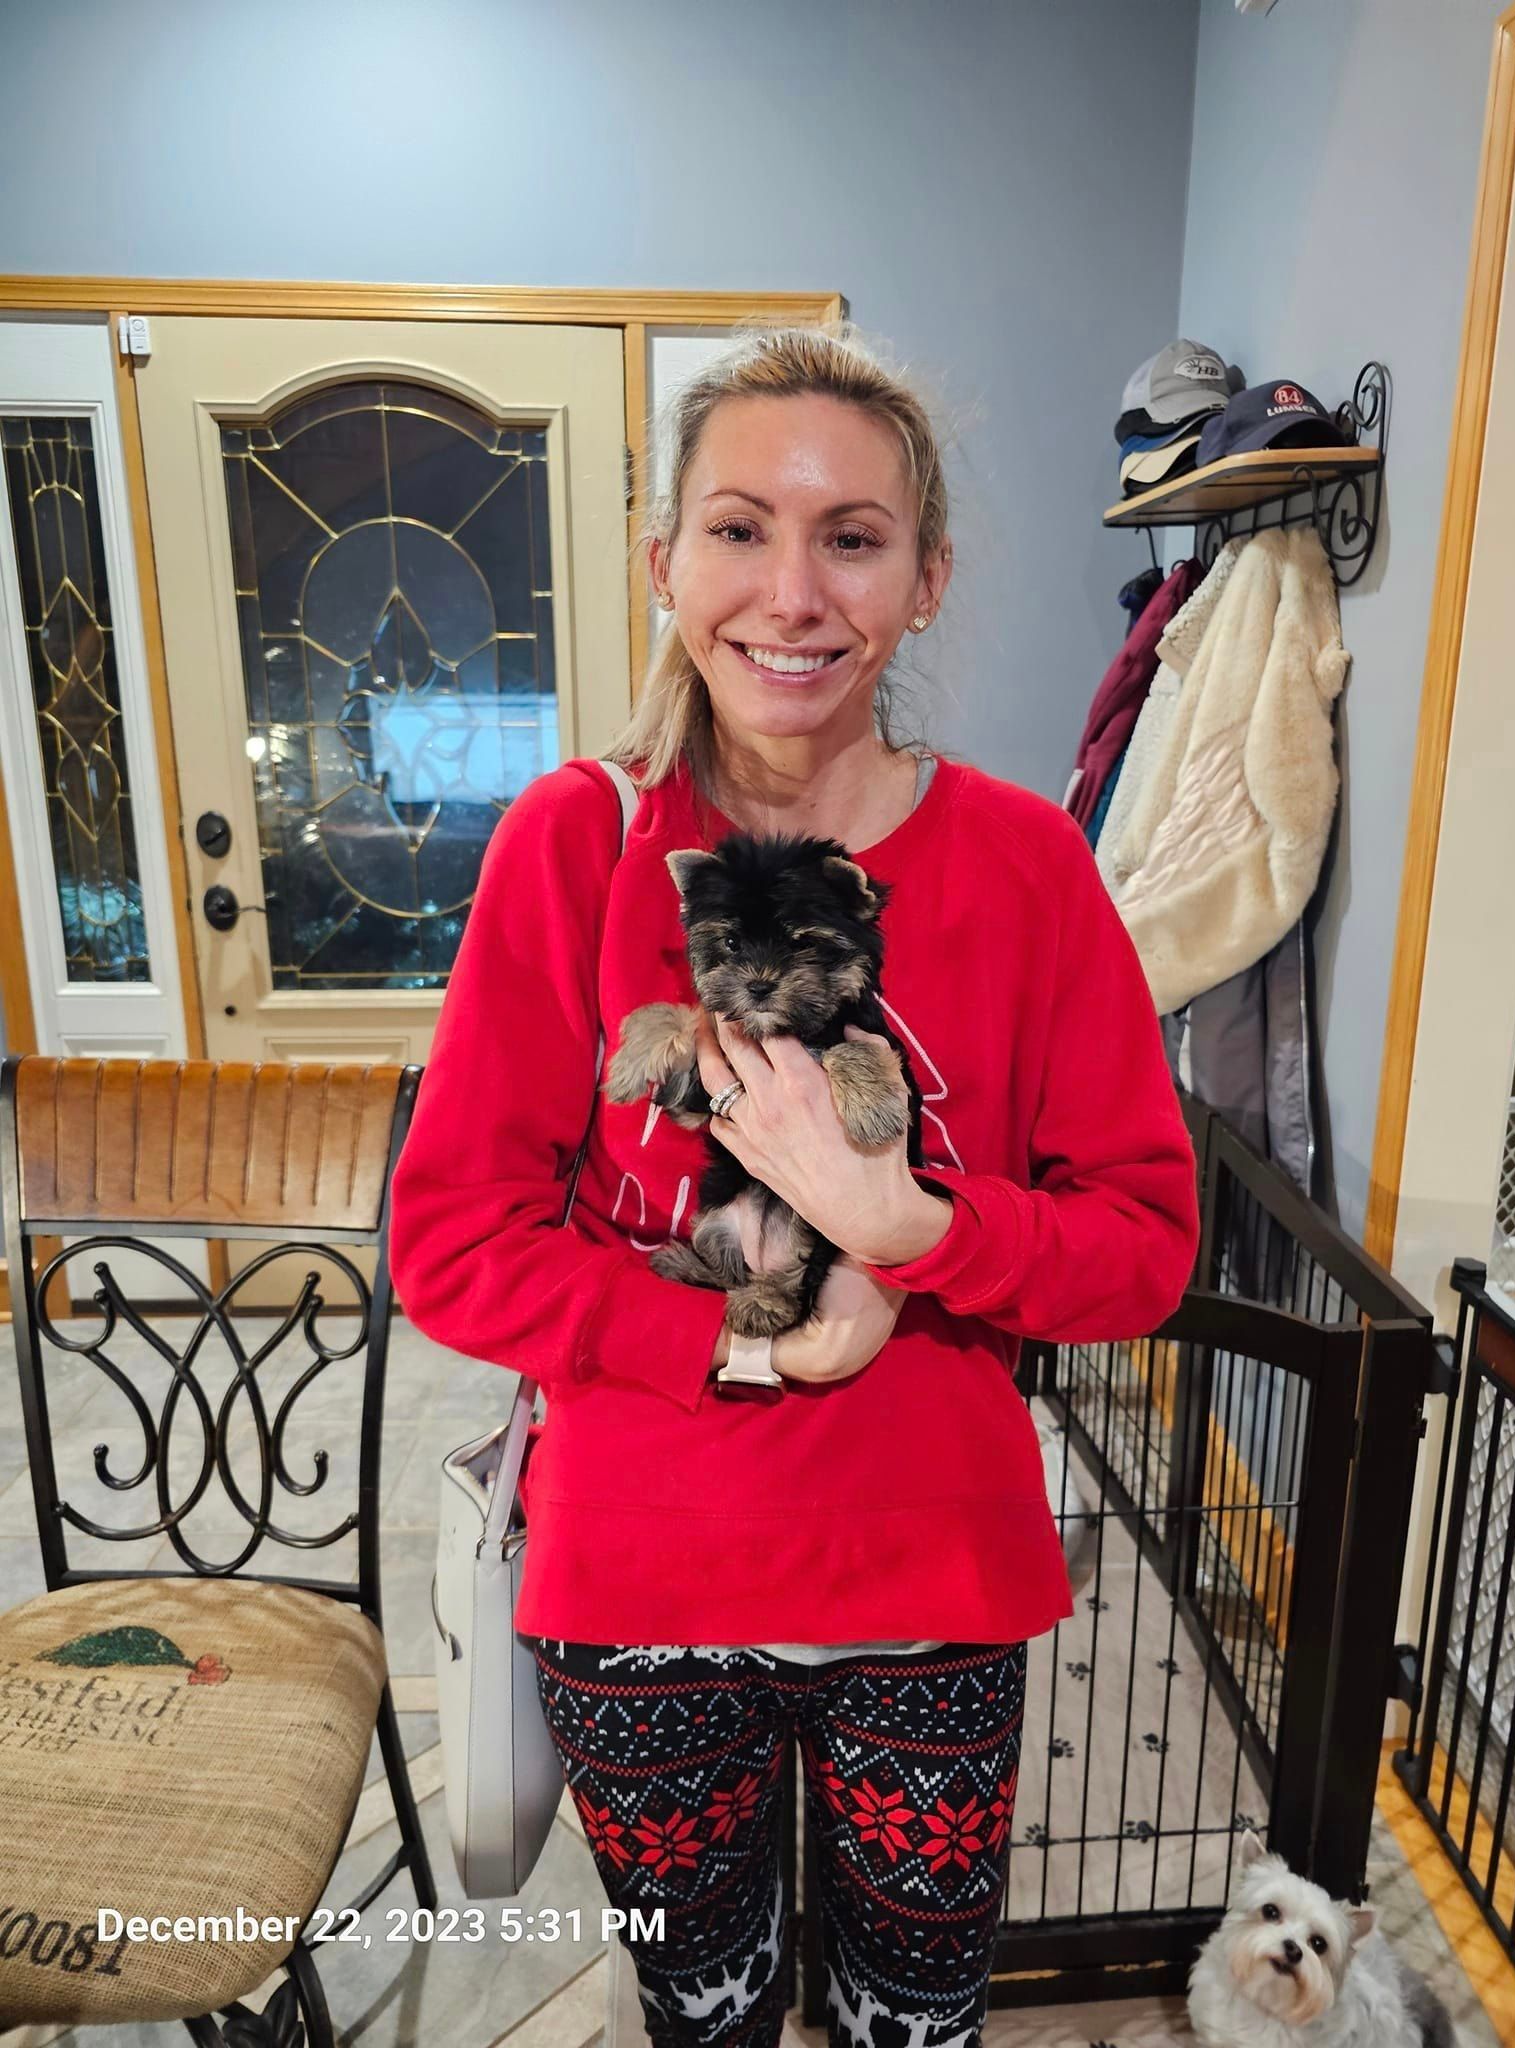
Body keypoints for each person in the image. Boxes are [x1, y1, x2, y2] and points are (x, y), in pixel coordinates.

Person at [388, 327, 1200, 2047]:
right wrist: (747, 1346)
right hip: (638, 1582)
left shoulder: (1028, 865)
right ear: (664, 561)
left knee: (920, 2018)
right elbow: (454, 1242)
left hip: (934, 1581)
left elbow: (1142, 1247)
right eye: (740, 528)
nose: (793, 593)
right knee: (707, 2014)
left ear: (927, 579)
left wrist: (915, 1231)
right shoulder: (576, 843)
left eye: (854, 538)